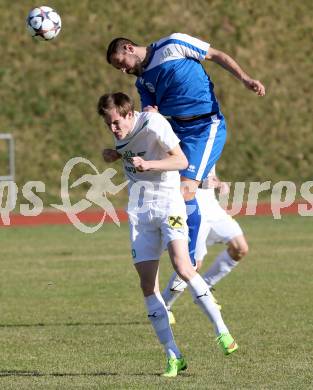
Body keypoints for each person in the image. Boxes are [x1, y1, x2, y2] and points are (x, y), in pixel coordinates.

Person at [97, 92, 238, 378]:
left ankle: (222, 331)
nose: (113, 129)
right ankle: (173, 355)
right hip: (140, 213)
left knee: (183, 266)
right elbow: (134, 153)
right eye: (108, 125)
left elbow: (181, 161)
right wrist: (116, 154)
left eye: (115, 123)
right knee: (148, 287)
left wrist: (148, 165)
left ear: (128, 113)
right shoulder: (122, 131)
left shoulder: (153, 123)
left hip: (168, 204)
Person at [105, 33, 265, 267]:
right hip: (178, 130)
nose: (123, 70)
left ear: (129, 48)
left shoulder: (173, 44)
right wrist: (121, 151)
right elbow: (148, 121)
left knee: (185, 191)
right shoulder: (142, 82)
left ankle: (189, 258)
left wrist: (245, 79)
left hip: (205, 126)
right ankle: (189, 256)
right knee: (175, 191)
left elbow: (215, 55)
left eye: (121, 63)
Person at [162, 168, 249, 323]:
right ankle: (164, 307)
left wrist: (219, 183)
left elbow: (209, 173)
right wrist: (202, 183)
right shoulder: (184, 144)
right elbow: (177, 178)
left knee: (240, 248)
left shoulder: (213, 143)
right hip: (194, 210)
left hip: (214, 209)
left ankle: (205, 287)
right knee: (192, 265)